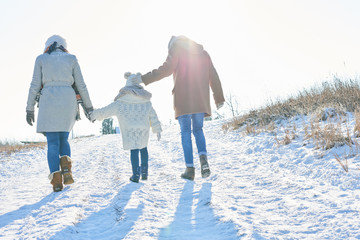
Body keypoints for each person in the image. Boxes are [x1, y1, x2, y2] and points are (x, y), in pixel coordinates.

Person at [128, 35, 225, 180]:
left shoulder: (176, 50)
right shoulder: (203, 53)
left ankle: (190, 169)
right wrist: (219, 98)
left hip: (183, 99)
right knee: (198, 130)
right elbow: (213, 75)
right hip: (200, 99)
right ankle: (203, 160)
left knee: (185, 132)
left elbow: (166, 70)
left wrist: (143, 78)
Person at [26, 35, 93, 192]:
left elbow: (34, 85)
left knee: (53, 142)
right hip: (67, 101)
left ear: (48, 45)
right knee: (63, 138)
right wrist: (89, 108)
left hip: (48, 100)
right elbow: (81, 85)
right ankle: (67, 170)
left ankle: (56, 181)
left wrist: (29, 108)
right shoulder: (72, 59)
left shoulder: (41, 59)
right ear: (63, 46)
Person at [90, 72, 162, 183]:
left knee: (134, 150)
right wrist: (157, 129)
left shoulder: (120, 102)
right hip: (143, 129)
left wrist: (94, 114)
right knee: (143, 148)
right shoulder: (146, 101)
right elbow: (153, 116)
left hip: (129, 130)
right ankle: (144, 172)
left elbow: (105, 111)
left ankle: (135, 174)